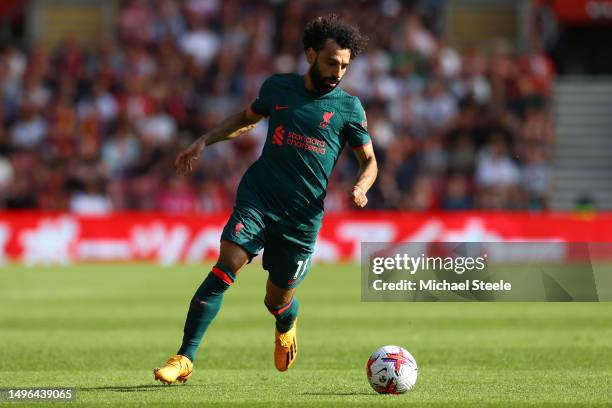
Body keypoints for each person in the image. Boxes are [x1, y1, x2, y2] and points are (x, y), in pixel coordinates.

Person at [154, 14, 377, 384]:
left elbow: (369, 161)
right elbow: (246, 118)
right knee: (227, 264)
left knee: (275, 299)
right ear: (310, 54)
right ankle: (184, 358)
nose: (338, 72)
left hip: (302, 217)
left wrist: (362, 186)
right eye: (331, 62)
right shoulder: (278, 88)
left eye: (344, 66)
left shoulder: (348, 107)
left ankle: (287, 320)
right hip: (259, 195)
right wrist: (204, 140)